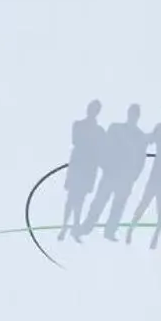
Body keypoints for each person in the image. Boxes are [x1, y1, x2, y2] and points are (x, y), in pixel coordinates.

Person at [79, 103, 148, 241]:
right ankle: (87, 226)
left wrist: (134, 176)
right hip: (111, 172)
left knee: (118, 205)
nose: (133, 116)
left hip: (126, 178)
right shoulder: (116, 128)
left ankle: (110, 231)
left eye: (135, 113)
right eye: (131, 112)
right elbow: (105, 146)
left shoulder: (140, 136)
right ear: (128, 113)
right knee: (99, 201)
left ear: (138, 116)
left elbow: (141, 159)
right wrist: (104, 164)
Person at [58, 100, 104, 240]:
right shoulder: (78, 125)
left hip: (89, 168)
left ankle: (75, 227)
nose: (92, 111)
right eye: (91, 108)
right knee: (71, 198)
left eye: (95, 109)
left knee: (81, 199)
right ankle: (65, 226)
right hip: (78, 165)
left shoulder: (99, 130)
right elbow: (76, 141)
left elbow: (101, 149)